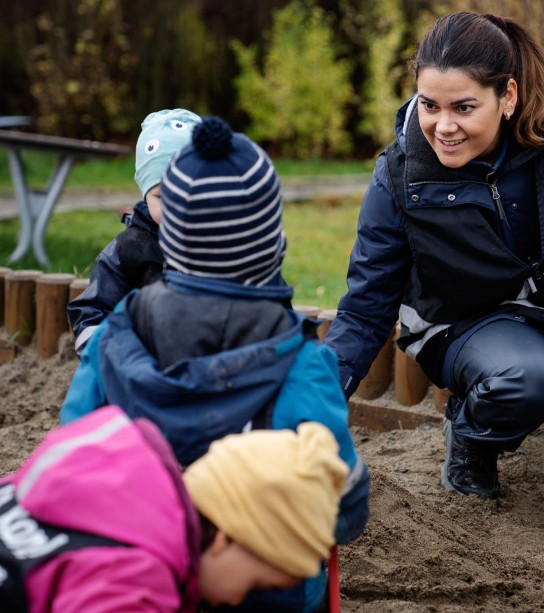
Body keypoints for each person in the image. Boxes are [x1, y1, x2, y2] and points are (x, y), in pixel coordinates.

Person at [323, 10, 544, 565]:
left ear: (507, 96)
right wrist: (317, 401)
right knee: (533, 380)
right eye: (429, 105)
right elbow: (365, 309)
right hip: (466, 319)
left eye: (464, 107)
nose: (442, 126)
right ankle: (471, 440)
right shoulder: (399, 175)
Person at [59, 116, 370, 612]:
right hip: (264, 594)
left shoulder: (115, 337)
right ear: (273, 246)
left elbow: (74, 455)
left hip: (139, 582)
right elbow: (343, 510)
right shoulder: (302, 363)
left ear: (171, 240)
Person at [0, 405, 347, 612]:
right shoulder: (134, 580)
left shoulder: (103, 493)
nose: (244, 600)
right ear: (227, 538)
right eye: (260, 583)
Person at [68, 108, 202, 356]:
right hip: (141, 369)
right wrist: (113, 357)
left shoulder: (228, 241)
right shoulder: (128, 249)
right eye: (162, 196)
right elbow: (92, 310)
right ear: (145, 195)